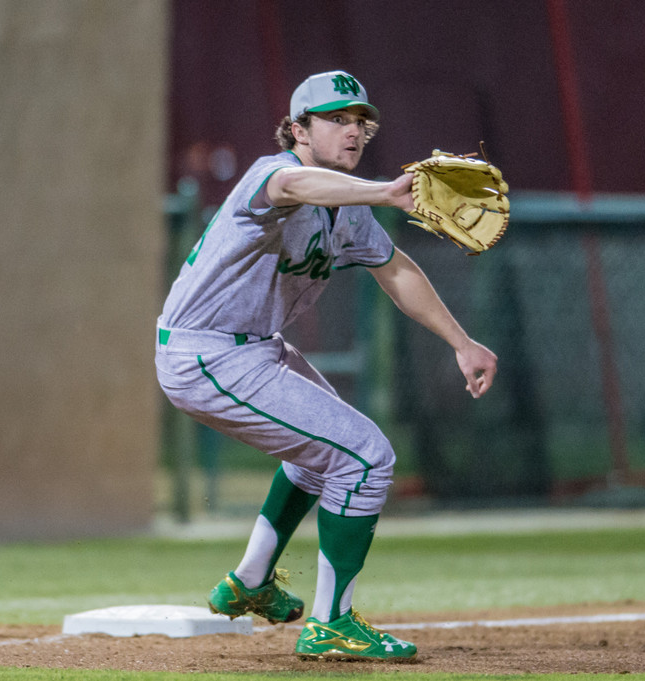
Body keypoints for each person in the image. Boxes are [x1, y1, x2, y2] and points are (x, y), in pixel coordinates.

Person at [155, 70, 498, 661]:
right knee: (365, 457)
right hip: (205, 352)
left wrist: (462, 342)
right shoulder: (273, 175)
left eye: (360, 121)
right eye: (336, 119)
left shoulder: (350, 207)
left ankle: (249, 581)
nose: (353, 131)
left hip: (252, 348)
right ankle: (332, 621)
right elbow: (295, 184)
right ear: (296, 128)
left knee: (321, 456)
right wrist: (387, 192)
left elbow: (396, 270)